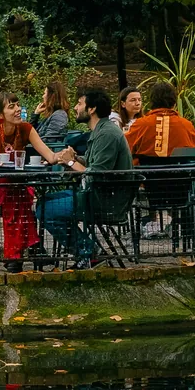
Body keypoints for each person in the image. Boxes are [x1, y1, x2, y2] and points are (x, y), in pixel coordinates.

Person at [41, 85, 134, 265]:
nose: (75, 107)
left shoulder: (106, 133)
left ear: (91, 109)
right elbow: (93, 162)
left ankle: (89, 252)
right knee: (44, 203)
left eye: (79, 103)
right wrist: (71, 158)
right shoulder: (100, 130)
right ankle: (87, 251)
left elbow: (96, 173)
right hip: (96, 194)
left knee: (47, 210)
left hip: (105, 200)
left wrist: (70, 163)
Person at [0, 93, 68, 269]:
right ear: (0, 115)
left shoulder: (26, 128)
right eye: (12, 107)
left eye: (18, 105)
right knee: (17, 195)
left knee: (17, 196)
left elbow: (49, 155)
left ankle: (14, 257)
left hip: (16, 187)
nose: (18, 109)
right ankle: (33, 246)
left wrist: (65, 157)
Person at [125, 81, 195, 158]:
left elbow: (124, 148)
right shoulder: (186, 125)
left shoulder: (139, 125)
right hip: (178, 169)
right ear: (174, 103)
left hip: (146, 169)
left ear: (152, 101)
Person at [33, 79, 70, 150]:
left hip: (43, 154)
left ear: (51, 96)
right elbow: (31, 131)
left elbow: (49, 140)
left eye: (44, 93)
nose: (42, 96)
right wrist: (36, 114)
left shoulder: (59, 116)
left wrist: (31, 142)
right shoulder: (52, 114)